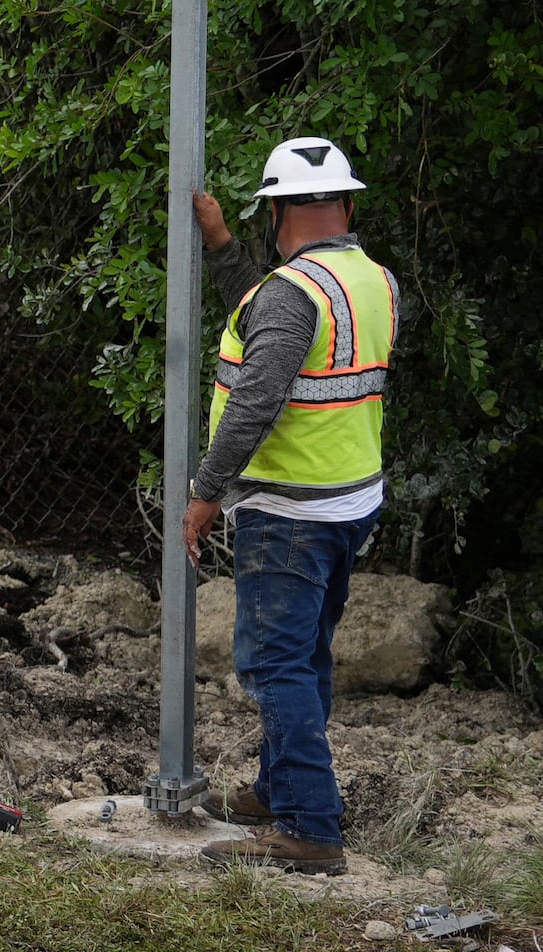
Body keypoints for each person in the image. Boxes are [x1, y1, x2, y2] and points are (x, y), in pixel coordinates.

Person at [186, 138, 398, 877]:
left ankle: (309, 826)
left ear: (276, 211)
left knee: (276, 663)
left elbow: (255, 401)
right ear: (347, 205)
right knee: (304, 656)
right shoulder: (370, 280)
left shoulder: (293, 293)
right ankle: (279, 790)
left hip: (290, 512)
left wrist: (204, 494)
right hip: (348, 501)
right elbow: (273, 319)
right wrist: (219, 247)